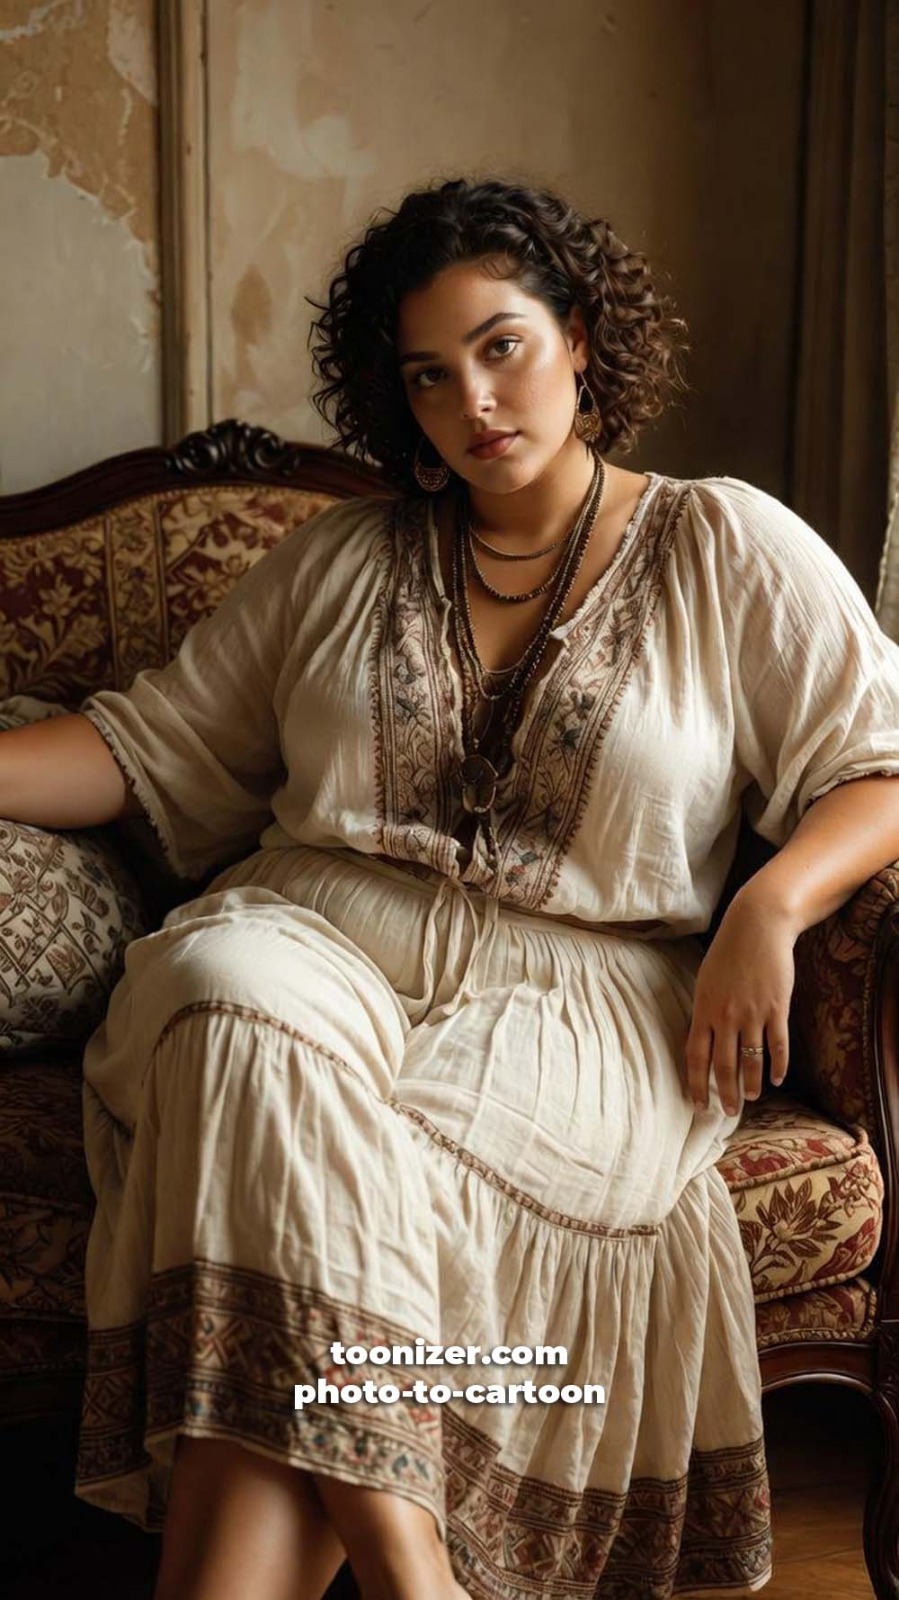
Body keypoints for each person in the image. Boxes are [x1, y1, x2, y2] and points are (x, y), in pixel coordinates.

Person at [6, 174, 899, 1600]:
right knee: (229, 1004)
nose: (473, 401)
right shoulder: (338, 563)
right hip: (321, 935)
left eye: (502, 347)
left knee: (319, 1198)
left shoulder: (730, 548)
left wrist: (770, 906)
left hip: (587, 1007)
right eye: (429, 376)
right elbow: (141, 745)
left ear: (584, 338)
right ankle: (411, 1568)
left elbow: (884, 766)